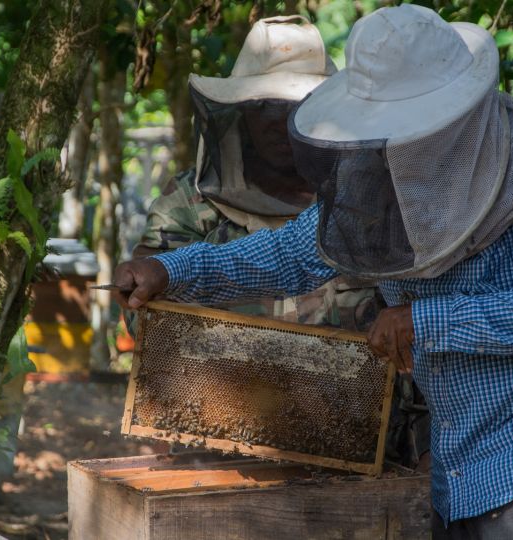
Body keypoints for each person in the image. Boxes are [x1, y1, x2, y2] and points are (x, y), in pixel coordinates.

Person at [115, 5, 513, 538]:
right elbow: (292, 253)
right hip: (460, 464)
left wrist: (427, 321)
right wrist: (172, 269)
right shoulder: (378, 168)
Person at [133, 15, 429, 468]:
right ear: (239, 114)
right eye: (263, 106)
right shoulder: (189, 204)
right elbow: (150, 327)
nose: (278, 120)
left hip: (372, 444)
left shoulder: (370, 201)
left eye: (293, 105)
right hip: (223, 449)